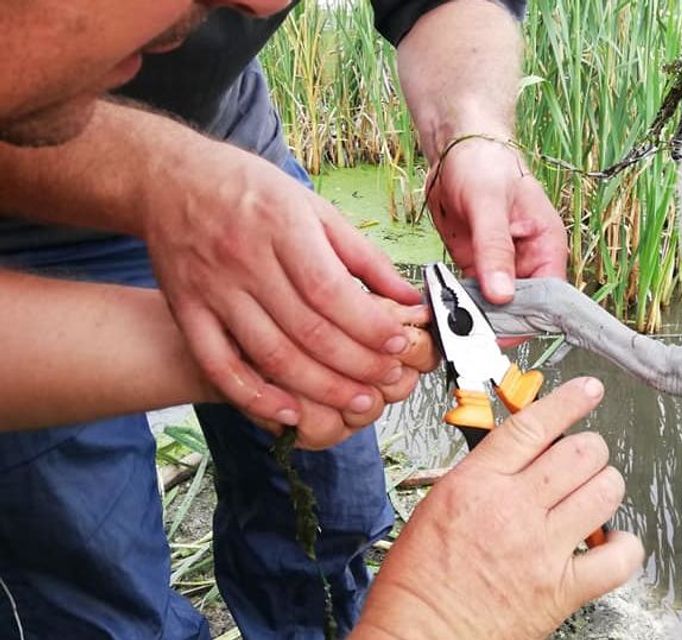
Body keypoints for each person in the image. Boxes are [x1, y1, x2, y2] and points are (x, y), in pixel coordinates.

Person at [0, 2, 641, 639]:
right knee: (93, 592)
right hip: (26, 233)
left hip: (237, 166)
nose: (269, 7)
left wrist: (467, 129)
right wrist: (427, 619)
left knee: (331, 510)